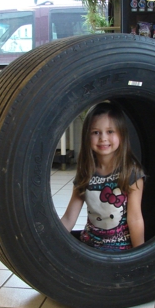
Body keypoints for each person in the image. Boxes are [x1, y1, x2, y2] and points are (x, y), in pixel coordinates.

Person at [61, 101, 145, 251]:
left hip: (121, 249)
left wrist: (140, 256)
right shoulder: (86, 173)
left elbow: (135, 218)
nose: (103, 138)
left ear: (121, 134)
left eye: (110, 131)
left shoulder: (131, 172)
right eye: (95, 132)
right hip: (89, 246)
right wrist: (50, 243)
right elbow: (69, 218)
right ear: (87, 136)